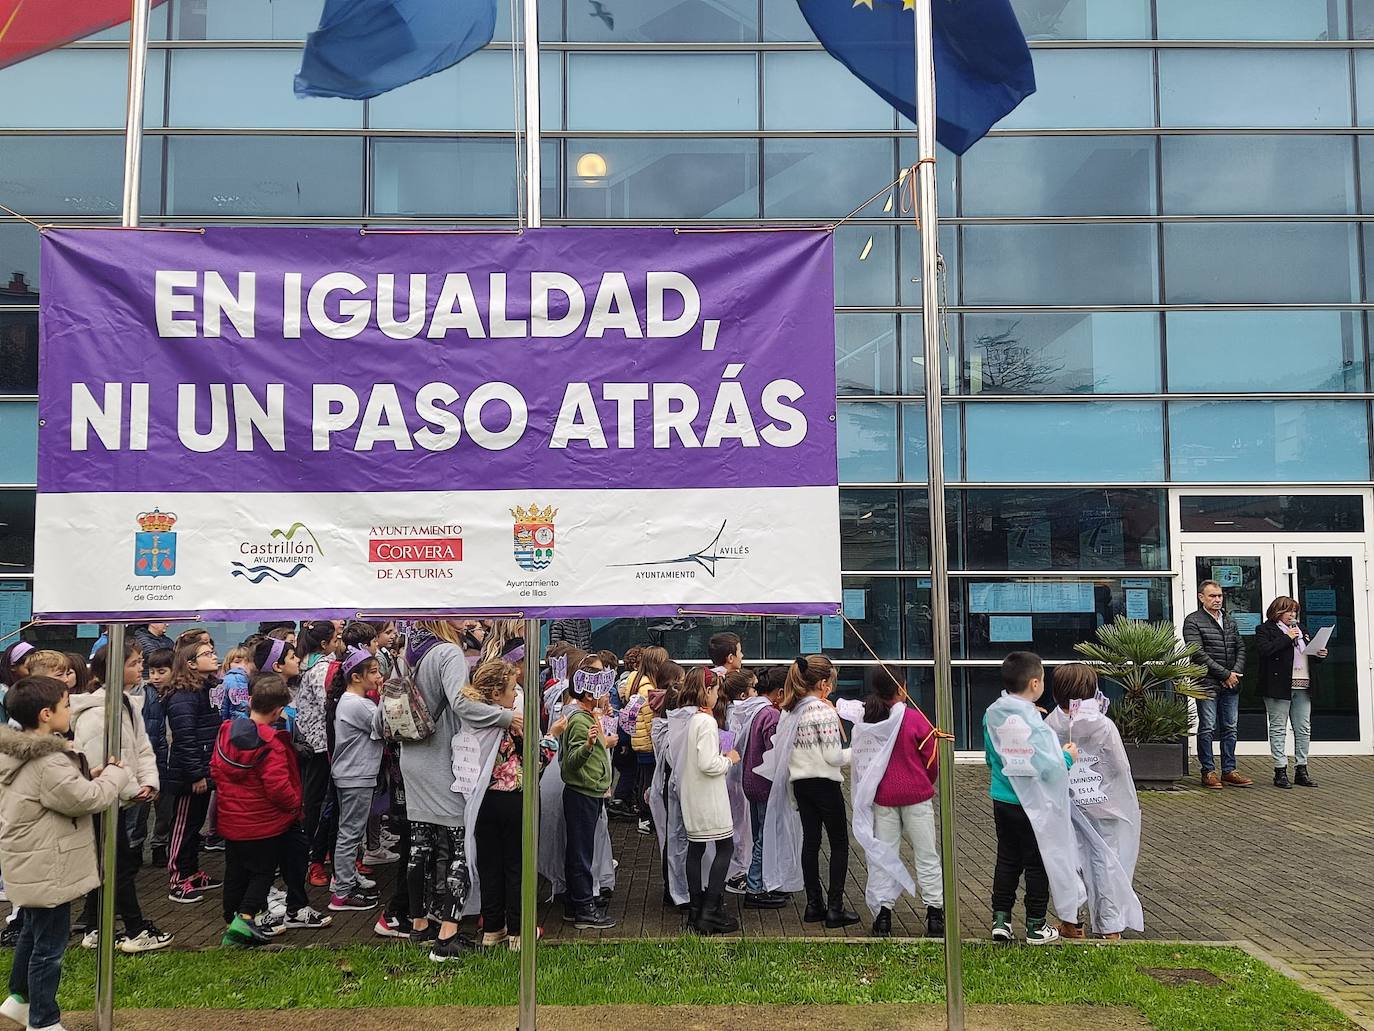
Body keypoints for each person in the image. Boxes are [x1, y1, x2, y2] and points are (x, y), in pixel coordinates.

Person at [0, 676, 130, 1031]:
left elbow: (63, 792)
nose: (70, 710)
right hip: (48, 865)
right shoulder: (48, 762)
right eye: (66, 705)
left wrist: (93, 776)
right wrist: (116, 777)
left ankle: (19, 1000)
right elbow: (87, 799)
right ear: (46, 714)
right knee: (50, 948)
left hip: (31, 859)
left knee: (32, 932)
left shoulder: (17, 751)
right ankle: (43, 1021)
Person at [401, 621, 518, 962]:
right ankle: (448, 933)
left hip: (412, 755)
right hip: (442, 760)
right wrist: (504, 717)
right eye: (462, 615)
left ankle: (419, 926)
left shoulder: (410, 652)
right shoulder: (448, 653)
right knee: (459, 846)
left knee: (419, 846)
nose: (470, 622)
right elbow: (461, 704)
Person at [70, 641, 171, 953]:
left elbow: (140, 747)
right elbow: (98, 764)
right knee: (120, 864)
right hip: (102, 800)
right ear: (111, 668)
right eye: (132, 663)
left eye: (139, 661)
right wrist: (130, 788)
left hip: (120, 798)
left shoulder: (127, 703)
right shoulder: (97, 714)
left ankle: (95, 927)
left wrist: (148, 782)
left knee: (113, 863)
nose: (139, 668)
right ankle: (135, 927)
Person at [212, 673, 323, 946]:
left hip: (231, 819)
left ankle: (231, 916)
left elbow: (215, 769)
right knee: (262, 872)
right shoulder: (272, 743)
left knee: (235, 870)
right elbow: (277, 787)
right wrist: (295, 804)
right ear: (277, 711)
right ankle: (246, 918)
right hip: (263, 823)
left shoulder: (226, 731)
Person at [983, 651, 1085, 946]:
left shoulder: (992, 712)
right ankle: (1036, 925)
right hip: (1033, 805)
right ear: (1035, 683)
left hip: (1002, 798)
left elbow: (992, 758)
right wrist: (1068, 757)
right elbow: (1049, 766)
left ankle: (1000, 920)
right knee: (1036, 862)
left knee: (1007, 859)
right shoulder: (1035, 722)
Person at [1043, 662, 1143, 941]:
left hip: (1066, 805)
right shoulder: (1104, 725)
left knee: (1068, 861)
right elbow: (1119, 767)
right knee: (1106, 862)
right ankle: (1110, 925)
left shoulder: (1049, 725)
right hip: (1105, 805)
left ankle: (1072, 921)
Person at [759, 655, 859, 929]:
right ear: (824, 683)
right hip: (825, 783)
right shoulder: (822, 711)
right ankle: (835, 907)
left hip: (800, 784)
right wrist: (859, 752)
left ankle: (814, 904)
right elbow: (833, 756)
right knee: (838, 843)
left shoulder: (792, 710)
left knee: (810, 841)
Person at [853, 667, 943, 939]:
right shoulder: (916, 719)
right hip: (916, 796)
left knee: (884, 856)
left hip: (884, 799)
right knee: (927, 855)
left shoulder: (868, 719)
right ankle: (935, 914)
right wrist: (924, 781)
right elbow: (932, 761)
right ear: (902, 689)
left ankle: (883, 916)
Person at [465, 661, 544, 950]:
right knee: (516, 865)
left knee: (489, 865)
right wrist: (555, 738)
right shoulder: (511, 721)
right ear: (497, 694)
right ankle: (519, 931)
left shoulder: (470, 719)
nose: (515, 694)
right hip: (512, 798)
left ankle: (492, 927)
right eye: (512, 688)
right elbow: (536, 759)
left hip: (481, 801)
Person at [676, 667, 740, 934]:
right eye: (714, 690)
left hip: (694, 794)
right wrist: (728, 760)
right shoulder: (706, 722)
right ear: (707, 691)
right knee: (725, 847)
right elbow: (707, 763)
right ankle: (710, 908)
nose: (717, 695)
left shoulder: (692, 720)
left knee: (696, 849)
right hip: (708, 797)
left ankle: (696, 908)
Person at [558, 658, 618, 930]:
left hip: (589, 791)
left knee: (582, 849)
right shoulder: (580, 722)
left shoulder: (588, 716)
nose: (606, 693)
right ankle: (583, 907)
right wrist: (588, 745)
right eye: (601, 688)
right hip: (582, 793)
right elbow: (569, 762)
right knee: (581, 852)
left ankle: (577, 902)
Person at [163, 639, 224, 904]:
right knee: (183, 826)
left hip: (204, 769)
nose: (214, 656)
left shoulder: (205, 689)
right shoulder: (183, 695)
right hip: (191, 774)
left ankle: (192, 871)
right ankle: (177, 878)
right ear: (190, 663)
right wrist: (196, 774)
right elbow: (185, 737)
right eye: (207, 654)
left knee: (195, 823)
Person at [326, 649, 385, 912]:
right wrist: (386, 696)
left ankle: (347, 877)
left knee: (352, 831)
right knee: (350, 832)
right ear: (357, 677)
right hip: (356, 775)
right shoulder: (357, 704)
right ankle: (342, 892)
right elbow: (385, 725)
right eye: (373, 672)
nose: (378, 677)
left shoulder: (353, 701)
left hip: (354, 774)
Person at [1182, 580, 1253, 789]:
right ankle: (1208, 771)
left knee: (1230, 727)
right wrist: (1224, 674)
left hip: (1231, 683)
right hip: (1206, 682)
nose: (1217, 600)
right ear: (1201, 597)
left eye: (1220, 596)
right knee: (1208, 727)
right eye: (1212, 596)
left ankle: (1229, 770)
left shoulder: (1229, 620)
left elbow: (1240, 646)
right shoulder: (1193, 621)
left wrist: (1235, 673)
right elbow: (1197, 652)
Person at [1256, 596, 1326, 790]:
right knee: (1278, 728)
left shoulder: (1302, 630)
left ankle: (1301, 769)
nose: (1292, 615)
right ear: (1277, 612)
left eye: (1294, 611)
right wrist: (1287, 637)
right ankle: (1280, 770)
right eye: (1288, 611)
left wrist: (1319, 654)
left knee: (1303, 728)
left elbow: (1307, 654)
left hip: (1303, 684)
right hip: (1278, 686)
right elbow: (1265, 651)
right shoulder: (1265, 630)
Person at [295, 620, 342, 887]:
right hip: (321, 743)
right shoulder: (320, 669)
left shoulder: (306, 664)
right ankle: (312, 855)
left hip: (313, 739)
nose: (339, 643)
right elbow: (330, 703)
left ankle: (313, 853)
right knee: (316, 802)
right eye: (335, 639)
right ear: (325, 644)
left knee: (315, 800)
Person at [740, 667, 787, 909]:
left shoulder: (753, 710)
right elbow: (774, 750)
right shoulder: (771, 716)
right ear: (779, 692)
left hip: (749, 781)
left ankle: (761, 882)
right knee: (764, 837)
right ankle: (755, 886)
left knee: (759, 833)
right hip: (765, 785)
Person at [140, 648, 174, 867]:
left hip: (168, 760)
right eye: (152, 671)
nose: (155, 677)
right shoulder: (145, 694)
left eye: (161, 671)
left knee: (166, 810)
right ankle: (137, 846)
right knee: (141, 809)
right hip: (148, 759)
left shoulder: (176, 694)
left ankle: (159, 845)